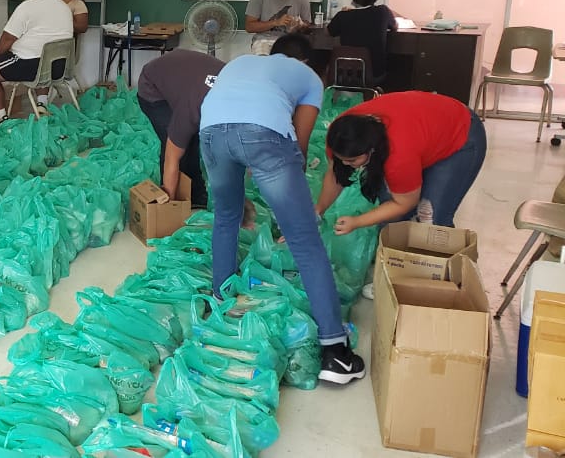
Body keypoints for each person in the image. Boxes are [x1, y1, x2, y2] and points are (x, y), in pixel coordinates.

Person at [199, 33, 364, 385]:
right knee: (304, 239)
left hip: (211, 129)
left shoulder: (239, 63)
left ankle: (220, 306)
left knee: (226, 217)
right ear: (304, 61)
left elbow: (230, 117)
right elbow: (299, 149)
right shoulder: (309, 79)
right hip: (262, 132)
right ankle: (336, 352)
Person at [316, 91, 486, 235]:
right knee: (393, 225)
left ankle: (435, 269)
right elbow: (335, 173)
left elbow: (404, 203)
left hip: (459, 134)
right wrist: (319, 210)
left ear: (372, 150)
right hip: (423, 128)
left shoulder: (397, 156)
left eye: (352, 160)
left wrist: (357, 222)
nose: (345, 163)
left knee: (430, 224)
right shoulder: (341, 135)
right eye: (341, 158)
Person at [0, 0, 73, 121]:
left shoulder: (27, 7)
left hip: (29, 66)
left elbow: (6, 39)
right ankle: (41, 105)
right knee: (45, 59)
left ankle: (1, 118)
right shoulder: (65, 8)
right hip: (58, 67)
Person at [136, 48, 224, 207]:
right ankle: (169, 198)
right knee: (179, 143)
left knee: (193, 141)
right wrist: (166, 208)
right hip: (153, 87)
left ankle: (195, 194)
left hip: (182, 74)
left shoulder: (236, 88)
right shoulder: (191, 109)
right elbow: (172, 155)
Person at [325, 0, 396, 85]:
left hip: (346, 74)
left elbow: (328, 32)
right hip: (374, 75)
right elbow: (394, 27)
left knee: (325, 67)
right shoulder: (383, 12)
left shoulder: (343, 16)